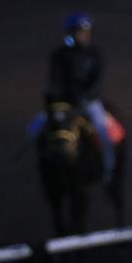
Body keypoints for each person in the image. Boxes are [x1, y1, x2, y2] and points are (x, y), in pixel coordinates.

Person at [47, 12, 114, 183]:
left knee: (102, 130)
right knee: (36, 127)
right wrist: (57, 99)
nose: (83, 35)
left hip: (88, 103)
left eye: (85, 32)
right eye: (79, 32)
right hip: (65, 102)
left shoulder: (94, 54)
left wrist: (85, 98)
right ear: (69, 33)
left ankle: (108, 169)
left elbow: (98, 81)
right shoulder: (59, 55)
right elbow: (54, 80)